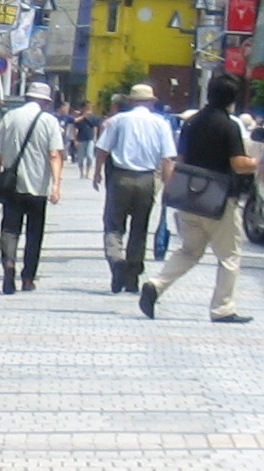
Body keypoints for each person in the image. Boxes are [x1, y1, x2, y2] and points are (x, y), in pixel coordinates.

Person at [140, 71, 254, 324]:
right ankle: (222, 308)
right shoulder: (229, 126)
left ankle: (156, 284)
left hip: (190, 198)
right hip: (220, 202)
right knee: (229, 256)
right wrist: (260, 163)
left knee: (189, 251)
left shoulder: (192, 123)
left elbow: (180, 160)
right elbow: (238, 164)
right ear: (232, 99)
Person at [92, 82, 177, 294]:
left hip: (120, 178)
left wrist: (97, 172)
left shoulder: (119, 120)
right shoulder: (161, 123)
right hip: (146, 179)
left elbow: (102, 149)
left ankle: (116, 261)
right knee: (139, 229)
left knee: (113, 225)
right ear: (152, 102)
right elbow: (168, 159)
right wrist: (168, 186)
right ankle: (132, 276)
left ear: (131, 101)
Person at [0, 81, 64, 293]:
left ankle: (9, 263)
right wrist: (56, 186)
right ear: (45, 102)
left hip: (12, 186)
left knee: (10, 229)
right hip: (38, 187)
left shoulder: (10, 117)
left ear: (27, 98)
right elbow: (54, 154)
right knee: (34, 233)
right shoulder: (49, 121)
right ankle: (28, 278)